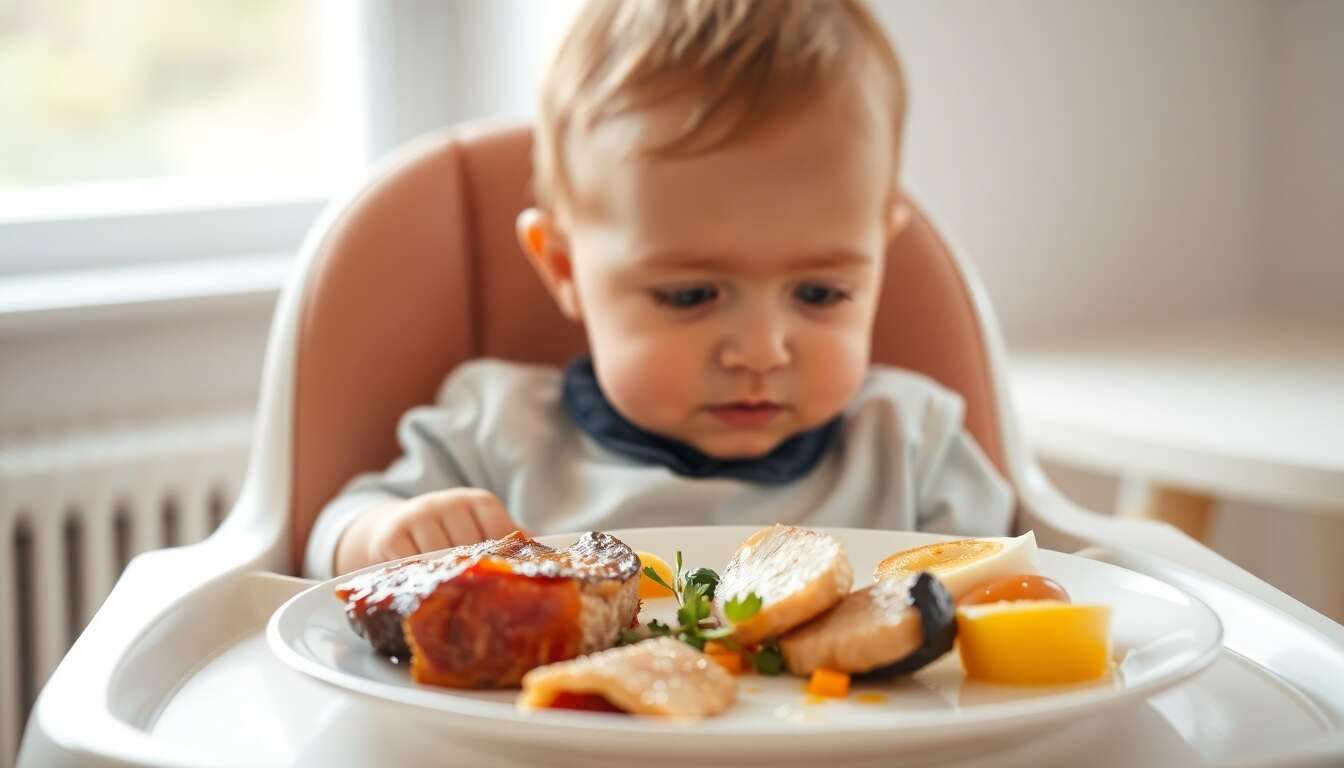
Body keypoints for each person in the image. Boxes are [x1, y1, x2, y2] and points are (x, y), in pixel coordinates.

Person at [303, 0, 1013, 580]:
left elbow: (1020, 596)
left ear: (879, 257)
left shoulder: (911, 447)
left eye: (821, 294)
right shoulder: (494, 434)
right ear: (565, 269)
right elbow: (325, 541)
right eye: (690, 296)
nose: (760, 352)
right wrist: (384, 536)